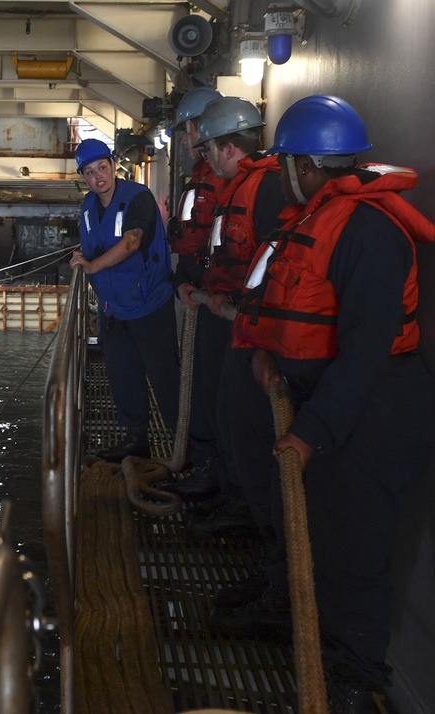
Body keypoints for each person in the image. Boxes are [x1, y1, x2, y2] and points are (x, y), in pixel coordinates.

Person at [233, 95, 435, 713]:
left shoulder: (369, 234)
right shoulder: (320, 217)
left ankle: (353, 675)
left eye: (290, 162)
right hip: (328, 400)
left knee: (354, 546)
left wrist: (311, 430)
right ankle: (308, 632)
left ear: (310, 165)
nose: (286, 174)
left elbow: (367, 352)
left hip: (376, 410)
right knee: (317, 528)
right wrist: (269, 357)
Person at [189, 97, 289, 629]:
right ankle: (268, 567)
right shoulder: (242, 188)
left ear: (230, 147)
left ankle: (280, 588)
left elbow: (276, 269)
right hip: (238, 326)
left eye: (210, 148)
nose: (207, 158)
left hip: (258, 341)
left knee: (257, 451)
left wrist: (262, 337)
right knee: (236, 435)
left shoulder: (266, 190)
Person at [68, 138, 180, 461]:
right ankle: (136, 439)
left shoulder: (138, 198)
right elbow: (94, 246)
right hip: (114, 309)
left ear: (113, 166)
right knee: (123, 376)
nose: (97, 177)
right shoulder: (89, 207)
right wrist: (83, 257)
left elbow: (131, 242)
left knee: (165, 378)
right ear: (84, 178)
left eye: (102, 167)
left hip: (149, 306)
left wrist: (91, 265)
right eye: (89, 172)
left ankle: (190, 445)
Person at [167, 86, 227, 499]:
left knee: (218, 392)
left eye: (187, 130)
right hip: (202, 295)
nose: (185, 139)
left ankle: (218, 477)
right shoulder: (205, 180)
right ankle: (208, 465)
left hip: (218, 304)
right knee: (206, 387)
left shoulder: (224, 183)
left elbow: (219, 241)